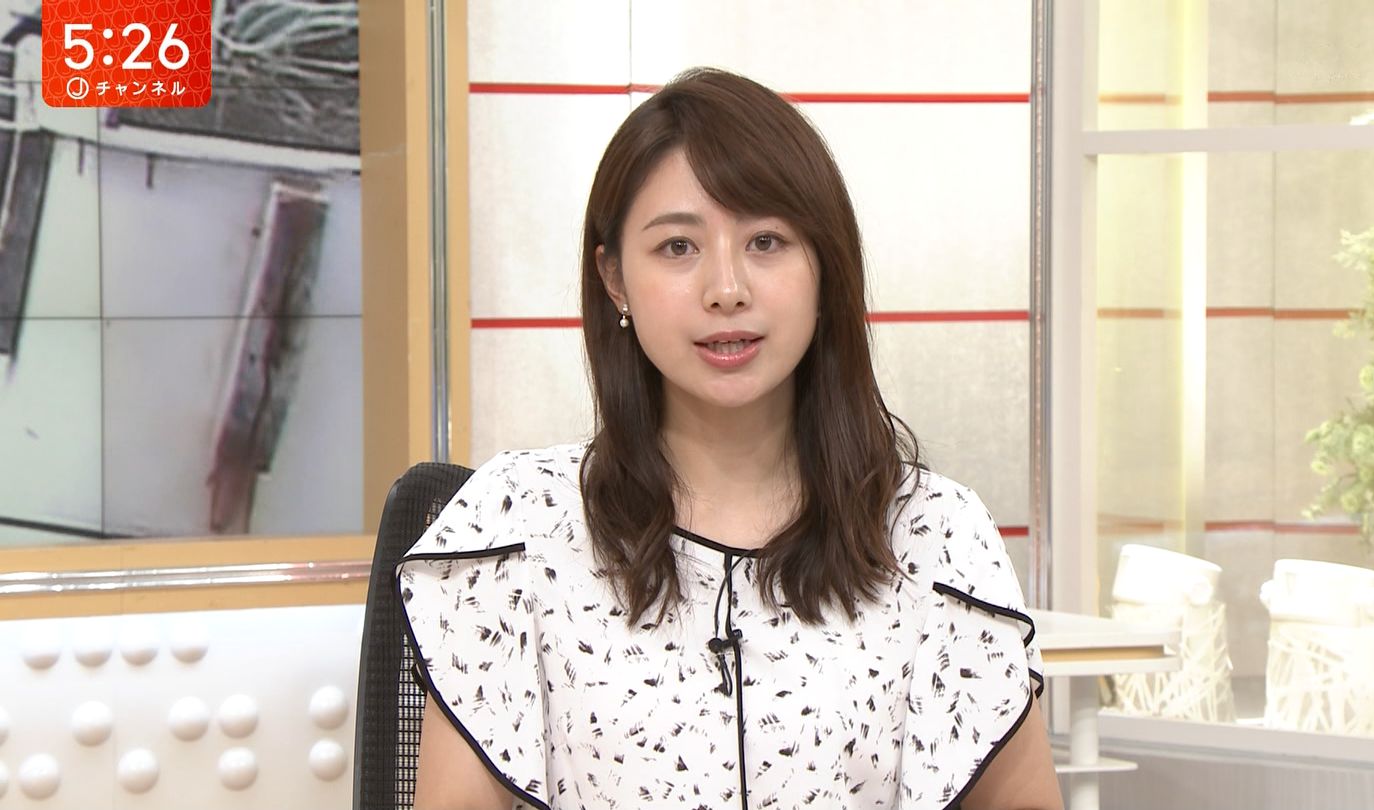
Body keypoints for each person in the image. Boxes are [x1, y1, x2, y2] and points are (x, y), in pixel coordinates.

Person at [398, 67, 1062, 810]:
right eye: (678, 247)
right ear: (614, 279)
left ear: (825, 269)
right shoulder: (517, 526)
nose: (726, 289)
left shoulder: (938, 537)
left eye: (766, 241)